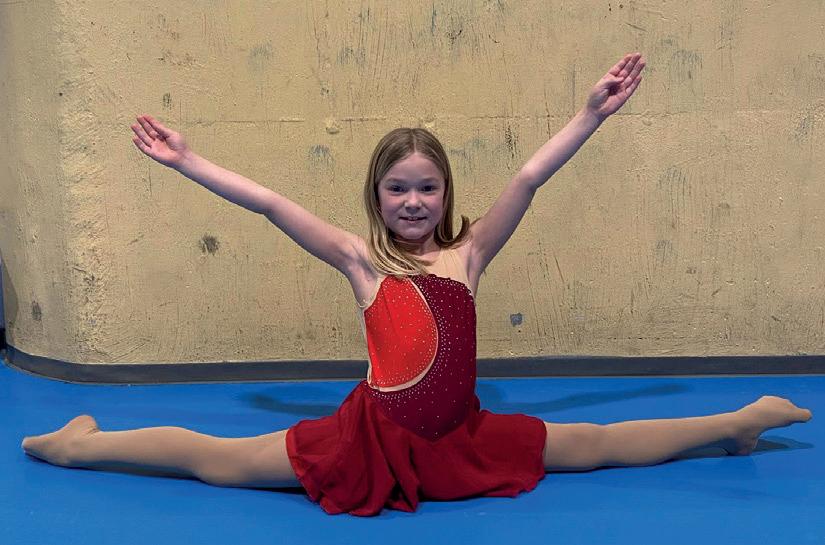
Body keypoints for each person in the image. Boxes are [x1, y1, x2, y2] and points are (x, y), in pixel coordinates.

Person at [21, 53, 812, 516]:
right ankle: (78, 444)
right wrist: (188, 160)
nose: (411, 201)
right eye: (396, 188)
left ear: (445, 194)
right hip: (372, 439)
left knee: (592, 444)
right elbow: (269, 203)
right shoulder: (359, 260)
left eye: (426, 188)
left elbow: (528, 179)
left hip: (460, 435)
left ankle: (734, 421)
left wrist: (590, 115)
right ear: (376, 196)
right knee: (221, 460)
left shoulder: (467, 255)